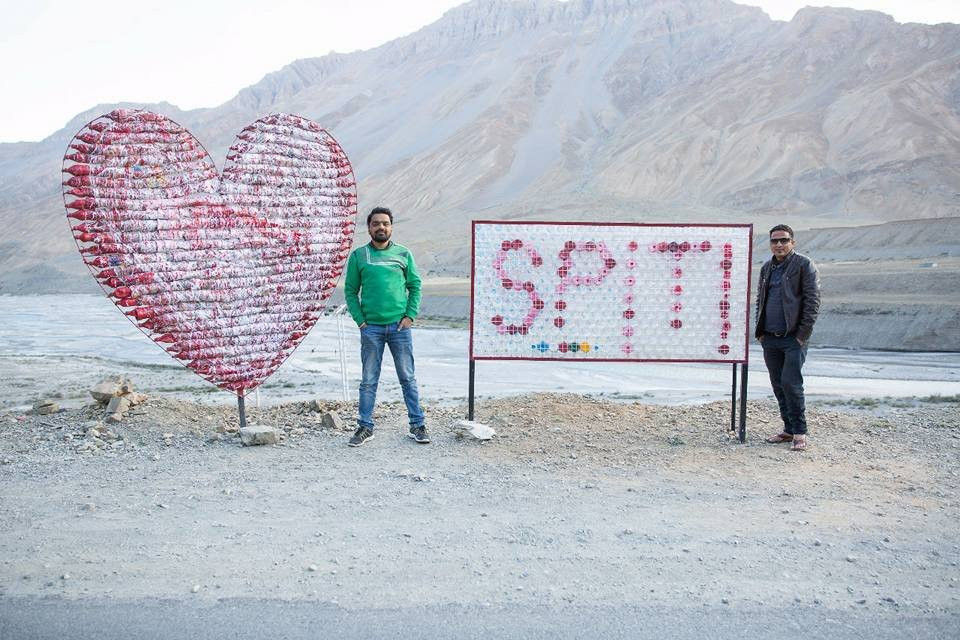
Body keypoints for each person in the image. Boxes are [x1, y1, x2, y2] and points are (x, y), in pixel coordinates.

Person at [343, 206, 428, 447]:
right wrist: (360, 320)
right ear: (369, 227)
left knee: (407, 377)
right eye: (376, 223)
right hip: (371, 329)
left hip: (400, 328)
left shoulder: (404, 254)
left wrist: (410, 315)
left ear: (391, 227)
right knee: (369, 379)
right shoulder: (359, 256)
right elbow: (350, 291)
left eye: (386, 223)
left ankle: (417, 425)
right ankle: (365, 426)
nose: (381, 227)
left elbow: (415, 285)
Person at [755, 224, 821, 452]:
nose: (779, 245)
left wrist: (802, 336)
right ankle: (788, 429)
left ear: (793, 242)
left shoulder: (804, 265)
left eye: (784, 240)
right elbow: (760, 301)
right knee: (778, 385)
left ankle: (800, 433)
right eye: (774, 241)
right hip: (770, 338)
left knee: (792, 384)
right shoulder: (766, 268)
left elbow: (812, 302)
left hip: (793, 338)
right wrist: (760, 332)